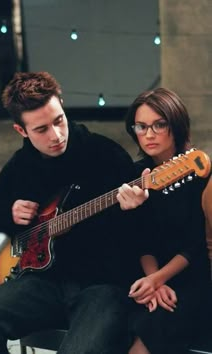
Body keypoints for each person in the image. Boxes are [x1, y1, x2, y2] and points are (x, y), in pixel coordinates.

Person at [0, 71, 148, 354]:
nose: (56, 135)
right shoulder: (22, 165)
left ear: (62, 106)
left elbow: (145, 234)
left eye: (59, 121)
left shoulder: (105, 154)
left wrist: (134, 209)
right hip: (43, 284)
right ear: (21, 131)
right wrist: (7, 212)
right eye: (41, 129)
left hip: (102, 287)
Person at [124, 87, 212, 354]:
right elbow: (141, 241)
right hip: (148, 273)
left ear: (176, 125)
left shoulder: (199, 172)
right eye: (141, 126)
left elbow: (197, 244)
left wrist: (159, 280)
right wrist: (153, 281)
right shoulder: (134, 174)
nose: (149, 134)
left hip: (193, 276)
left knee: (152, 332)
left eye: (159, 125)